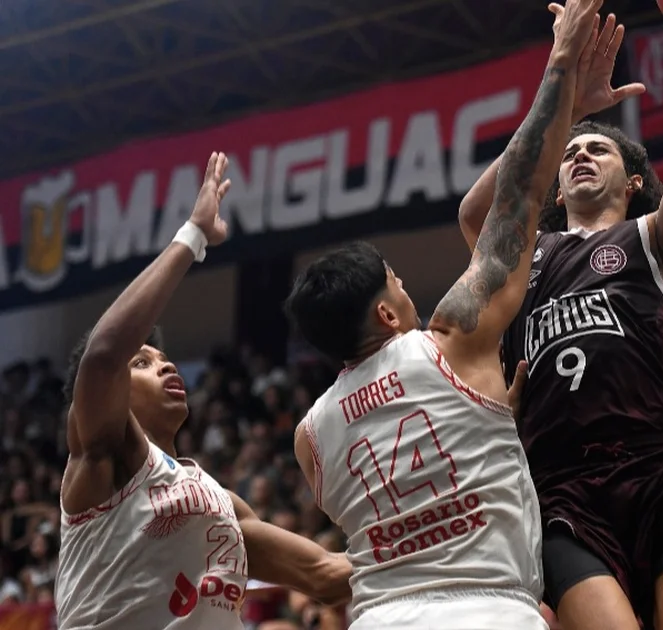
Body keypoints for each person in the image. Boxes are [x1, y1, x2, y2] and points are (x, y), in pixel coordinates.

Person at [284, 2, 598, 627]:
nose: (408, 289)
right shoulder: (452, 339)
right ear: (386, 312)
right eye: (397, 282)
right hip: (488, 612)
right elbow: (522, 198)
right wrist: (561, 64)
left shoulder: (309, 439)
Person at [456, 2, 663, 628]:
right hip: (561, 486)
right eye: (570, 152)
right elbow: (475, 213)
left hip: (656, 470)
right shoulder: (525, 259)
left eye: (598, 149)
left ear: (631, 184)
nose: (579, 155)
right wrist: (562, 110)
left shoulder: (656, 241)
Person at [54, 152, 352, 630]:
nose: (165, 364)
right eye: (143, 362)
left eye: (163, 359)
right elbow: (105, 353)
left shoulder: (221, 504)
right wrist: (193, 234)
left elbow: (324, 574)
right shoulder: (102, 460)